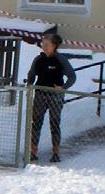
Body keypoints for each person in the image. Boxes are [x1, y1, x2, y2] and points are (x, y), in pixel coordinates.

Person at [25, 28, 76, 163]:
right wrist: (29, 85)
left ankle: (56, 152)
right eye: (43, 44)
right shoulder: (38, 59)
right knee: (36, 123)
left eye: (47, 45)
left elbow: (72, 76)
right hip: (40, 95)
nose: (44, 47)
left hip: (55, 97)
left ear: (54, 46)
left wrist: (63, 88)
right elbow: (31, 74)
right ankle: (33, 151)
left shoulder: (61, 60)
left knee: (54, 123)